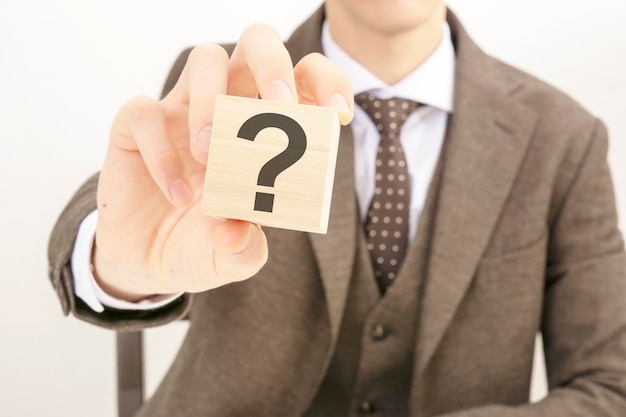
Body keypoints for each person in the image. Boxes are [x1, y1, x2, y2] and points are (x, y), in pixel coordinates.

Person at [48, 1, 626, 416]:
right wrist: (122, 265)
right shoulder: (227, 87)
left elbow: (610, 385)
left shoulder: (561, 137)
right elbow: (130, 224)